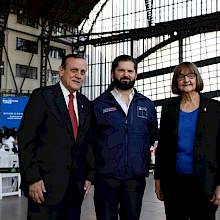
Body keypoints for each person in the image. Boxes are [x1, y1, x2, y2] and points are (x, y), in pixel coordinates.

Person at [18, 54, 94, 220]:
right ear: (61, 71)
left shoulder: (85, 104)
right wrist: (33, 179)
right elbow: (26, 139)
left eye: (82, 72)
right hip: (44, 187)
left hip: (75, 188)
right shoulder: (42, 97)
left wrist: (88, 176)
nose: (78, 75)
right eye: (74, 70)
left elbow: (87, 142)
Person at [92, 55, 158, 220]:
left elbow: (151, 136)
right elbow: (90, 140)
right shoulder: (99, 104)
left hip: (135, 179)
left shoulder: (147, 105)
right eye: (121, 70)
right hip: (106, 178)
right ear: (113, 73)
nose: (126, 74)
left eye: (130, 71)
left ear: (136, 74)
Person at [154, 61, 220, 220]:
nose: (186, 80)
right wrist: (158, 179)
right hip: (174, 183)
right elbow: (162, 147)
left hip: (205, 183)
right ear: (176, 81)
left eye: (190, 76)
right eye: (181, 77)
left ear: (197, 79)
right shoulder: (169, 109)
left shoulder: (215, 108)